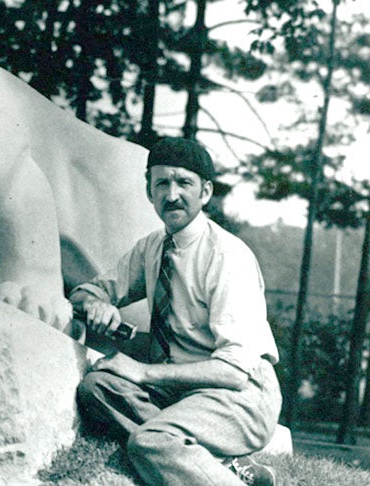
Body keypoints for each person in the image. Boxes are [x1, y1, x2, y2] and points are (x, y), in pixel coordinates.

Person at [71, 137, 282, 485]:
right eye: (161, 183)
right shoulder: (151, 248)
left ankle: (198, 455)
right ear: (148, 191)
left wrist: (141, 372)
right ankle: (227, 466)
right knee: (96, 388)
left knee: (150, 441)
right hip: (182, 390)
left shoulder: (228, 256)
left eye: (184, 183)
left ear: (206, 192)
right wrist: (96, 303)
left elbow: (232, 372)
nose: (171, 195)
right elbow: (86, 292)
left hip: (240, 396)